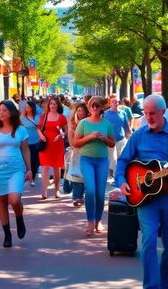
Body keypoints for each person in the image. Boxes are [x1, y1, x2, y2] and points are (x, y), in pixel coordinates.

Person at [115, 94, 168, 289]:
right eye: (146, 113)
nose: (148, 117)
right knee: (148, 241)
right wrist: (122, 181)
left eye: (153, 114)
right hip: (145, 199)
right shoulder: (139, 135)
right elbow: (123, 161)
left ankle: (166, 284)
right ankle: (151, 286)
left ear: (163, 112)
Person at [0, 100, 32, 247]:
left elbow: (25, 150)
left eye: (4, 110)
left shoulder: (21, 130)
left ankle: (19, 217)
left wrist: (29, 169)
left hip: (16, 169)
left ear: (11, 112)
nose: (1, 113)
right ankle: (7, 234)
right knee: (2, 202)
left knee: (14, 199)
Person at [72, 96, 115, 235]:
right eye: (92, 106)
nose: (95, 109)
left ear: (101, 108)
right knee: (90, 191)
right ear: (89, 108)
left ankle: (98, 221)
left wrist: (103, 138)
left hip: (102, 161)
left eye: (97, 106)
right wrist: (90, 137)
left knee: (100, 193)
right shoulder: (83, 123)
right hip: (87, 160)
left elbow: (112, 143)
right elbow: (75, 142)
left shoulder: (106, 123)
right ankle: (90, 221)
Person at [38, 96, 68, 199]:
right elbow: (38, 128)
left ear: (58, 105)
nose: (52, 106)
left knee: (57, 167)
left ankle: (57, 190)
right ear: (48, 105)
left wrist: (60, 135)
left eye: (55, 104)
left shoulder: (62, 117)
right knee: (45, 167)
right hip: (46, 144)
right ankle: (44, 191)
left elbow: (65, 131)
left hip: (57, 144)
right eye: (51, 104)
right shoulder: (44, 116)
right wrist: (41, 135)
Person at [65, 102, 88, 207]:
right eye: (79, 111)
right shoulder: (73, 123)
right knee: (76, 176)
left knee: (84, 175)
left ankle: (81, 195)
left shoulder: (88, 122)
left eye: (83, 111)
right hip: (76, 152)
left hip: (87, 152)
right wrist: (74, 148)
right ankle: (76, 196)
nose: (81, 113)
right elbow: (70, 137)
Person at [105, 95, 132, 178]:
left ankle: (118, 174)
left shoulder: (123, 113)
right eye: (113, 101)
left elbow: (126, 126)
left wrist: (129, 135)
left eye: (117, 101)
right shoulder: (106, 114)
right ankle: (112, 173)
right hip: (110, 140)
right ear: (109, 103)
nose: (115, 103)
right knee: (113, 158)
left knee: (121, 158)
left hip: (121, 139)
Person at [20, 100, 43, 185]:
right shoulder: (22, 117)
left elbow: (40, 126)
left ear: (32, 108)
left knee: (34, 160)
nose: (26, 109)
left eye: (28, 107)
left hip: (36, 140)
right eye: (25, 108)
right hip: (25, 141)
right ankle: (26, 175)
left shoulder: (37, 116)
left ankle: (32, 178)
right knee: (25, 159)